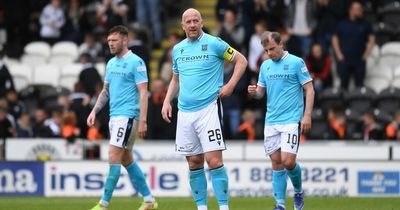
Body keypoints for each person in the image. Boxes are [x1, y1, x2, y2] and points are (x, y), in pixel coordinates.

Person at [161, 8, 247, 210]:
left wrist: (230, 85)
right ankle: (202, 208)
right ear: (182, 25)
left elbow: (241, 61)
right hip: (184, 111)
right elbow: (175, 79)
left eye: (195, 21)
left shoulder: (215, 43)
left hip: (208, 108)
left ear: (201, 23)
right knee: (193, 162)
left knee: (214, 161)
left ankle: (223, 208)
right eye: (188, 22)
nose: (192, 25)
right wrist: (166, 101)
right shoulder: (178, 49)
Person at [87, 25, 157, 210]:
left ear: (125, 40)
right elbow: (105, 91)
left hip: (128, 117)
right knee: (126, 159)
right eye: (109, 41)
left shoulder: (136, 62)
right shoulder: (110, 63)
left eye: (114, 40)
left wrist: (142, 120)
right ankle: (149, 200)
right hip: (114, 116)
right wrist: (94, 111)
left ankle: (103, 204)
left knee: (113, 155)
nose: (110, 44)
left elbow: (143, 93)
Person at [248, 31, 314, 210]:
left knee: (288, 161)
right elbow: (261, 92)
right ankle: (280, 205)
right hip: (271, 121)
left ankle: (298, 191)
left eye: (272, 49)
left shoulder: (296, 62)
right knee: (276, 162)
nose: (269, 53)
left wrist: (306, 115)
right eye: (266, 50)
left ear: (281, 44)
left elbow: (309, 89)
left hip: (291, 120)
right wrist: (255, 92)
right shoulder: (265, 66)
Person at [332, 1, 375, 89]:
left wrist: (366, 54)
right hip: (344, 60)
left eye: (360, 9)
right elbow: (334, 38)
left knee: (360, 86)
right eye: (358, 9)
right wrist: (339, 54)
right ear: (350, 10)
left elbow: (372, 39)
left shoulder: (365, 24)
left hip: (359, 60)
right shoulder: (342, 24)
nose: (360, 11)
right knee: (343, 87)